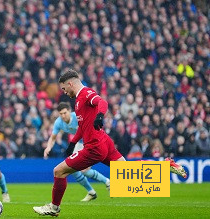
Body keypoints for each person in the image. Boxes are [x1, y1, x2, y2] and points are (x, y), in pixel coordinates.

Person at [33, 69, 187, 216]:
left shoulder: (86, 93)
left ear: (70, 83)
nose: (64, 92)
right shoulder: (78, 101)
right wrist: (73, 143)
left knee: (58, 171)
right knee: (126, 172)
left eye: (64, 88)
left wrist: (100, 116)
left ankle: (54, 208)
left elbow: (102, 102)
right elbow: (82, 125)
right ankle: (166, 166)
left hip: (94, 147)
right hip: (103, 141)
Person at [44, 102, 110, 201]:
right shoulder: (58, 122)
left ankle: (104, 184)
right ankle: (93, 190)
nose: (63, 116)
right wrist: (48, 147)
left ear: (70, 111)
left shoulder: (77, 117)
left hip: (90, 141)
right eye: (61, 114)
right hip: (79, 143)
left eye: (65, 113)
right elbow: (53, 137)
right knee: (73, 169)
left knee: (82, 169)